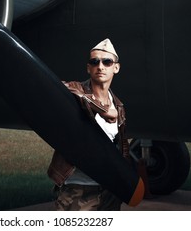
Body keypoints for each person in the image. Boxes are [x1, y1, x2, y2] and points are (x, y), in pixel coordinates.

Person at [47, 38, 130, 211]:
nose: (100, 66)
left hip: (110, 191)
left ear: (116, 67)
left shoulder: (119, 106)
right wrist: (102, 110)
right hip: (77, 190)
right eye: (95, 61)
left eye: (107, 62)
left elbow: (122, 149)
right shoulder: (75, 91)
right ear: (88, 67)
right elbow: (60, 87)